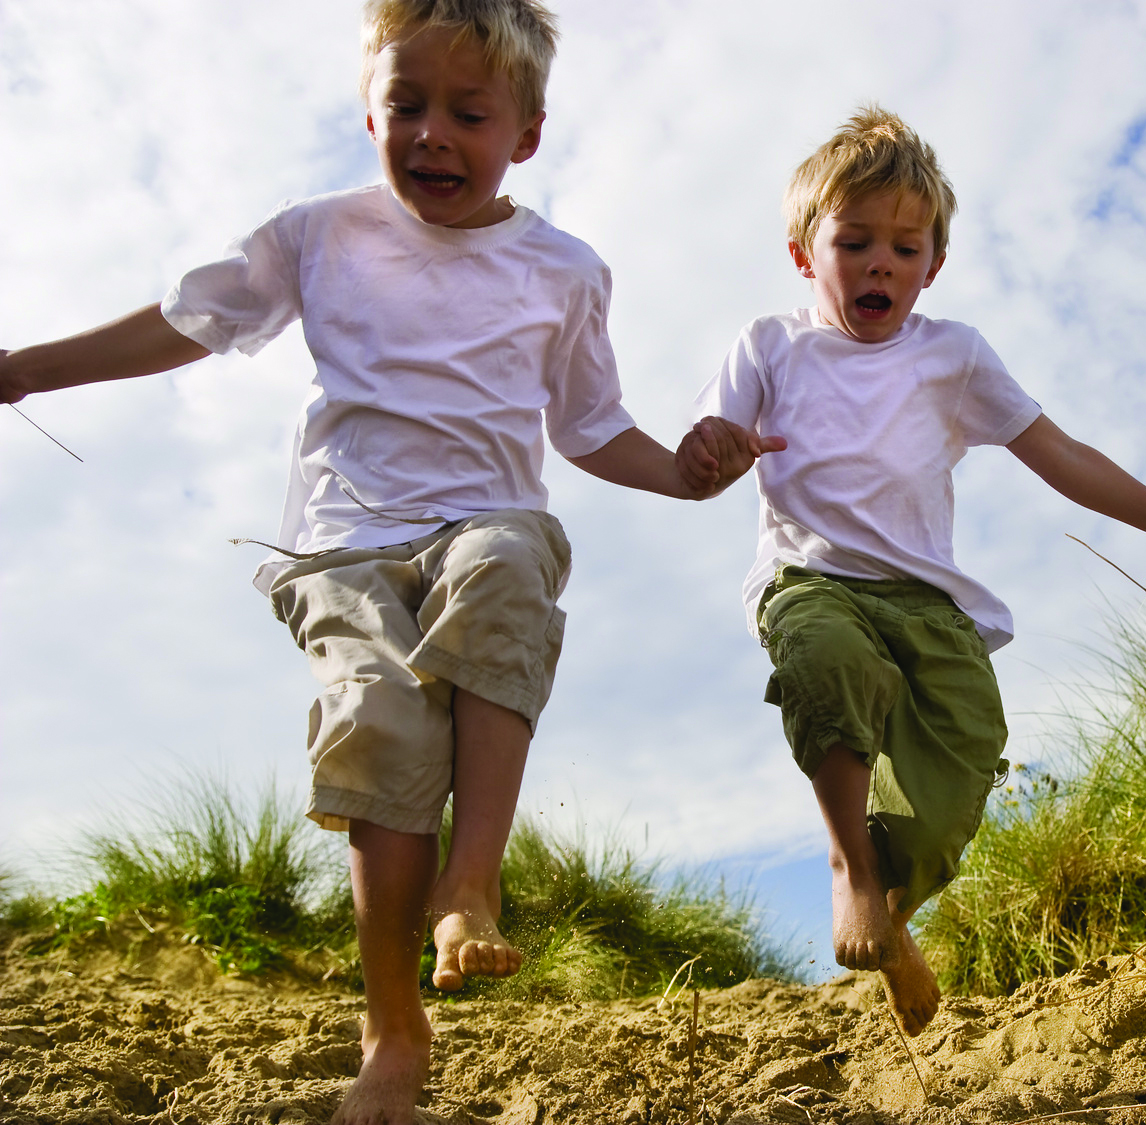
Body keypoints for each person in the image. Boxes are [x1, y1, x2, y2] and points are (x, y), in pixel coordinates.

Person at [0, 2, 777, 1121]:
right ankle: (391, 1027)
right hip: (340, 542)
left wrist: (687, 474)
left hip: (487, 517)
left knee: (507, 564)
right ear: (367, 110)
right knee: (377, 717)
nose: (431, 135)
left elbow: (590, 426)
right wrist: (26, 366)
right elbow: (186, 321)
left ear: (527, 133)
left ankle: (473, 883)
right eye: (405, 107)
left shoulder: (562, 270)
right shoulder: (318, 233)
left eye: (468, 113)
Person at [693, 105, 1146, 1038]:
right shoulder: (770, 346)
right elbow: (704, 447)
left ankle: (894, 914)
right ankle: (850, 872)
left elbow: (1063, 454)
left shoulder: (954, 356)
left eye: (906, 248)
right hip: (810, 576)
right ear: (802, 253)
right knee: (830, 666)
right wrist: (713, 451)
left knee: (959, 776)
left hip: (929, 602)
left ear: (933, 265)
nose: (880, 264)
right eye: (854, 241)